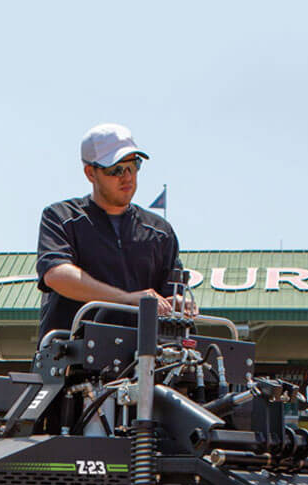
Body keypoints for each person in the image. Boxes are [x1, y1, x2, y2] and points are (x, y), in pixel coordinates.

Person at [35, 122, 193, 337]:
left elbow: (172, 290)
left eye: (133, 166)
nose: (127, 177)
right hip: (72, 358)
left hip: (143, 360)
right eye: (116, 169)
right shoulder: (62, 217)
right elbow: (57, 274)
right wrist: (126, 299)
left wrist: (180, 302)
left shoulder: (159, 231)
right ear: (91, 173)